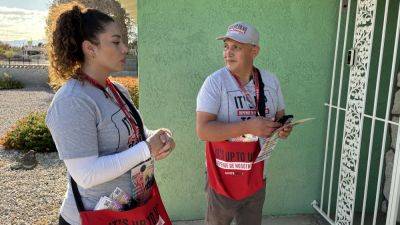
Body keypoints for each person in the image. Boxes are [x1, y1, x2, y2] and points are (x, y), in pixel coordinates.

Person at [45, 3, 175, 225]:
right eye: (116, 42)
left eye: (123, 41)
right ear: (90, 48)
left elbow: (136, 135)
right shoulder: (72, 101)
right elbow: (86, 174)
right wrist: (146, 149)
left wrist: (159, 137)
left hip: (131, 213)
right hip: (93, 218)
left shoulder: (116, 90)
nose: (125, 49)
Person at [196, 21, 292, 225]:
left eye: (236, 47)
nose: (228, 53)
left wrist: (282, 129)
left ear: (254, 50)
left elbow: (279, 118)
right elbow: (203, 130)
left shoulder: (271, 81)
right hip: (222, 175)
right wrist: (247, 126)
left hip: (257, 174)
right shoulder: (215, 82)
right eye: (226, 46)